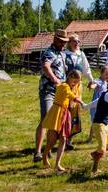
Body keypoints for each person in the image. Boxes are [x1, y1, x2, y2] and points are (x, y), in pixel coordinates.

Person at [34, 29, 69, 162]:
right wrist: (55, 79)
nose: (63, 44)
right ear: (55, 40)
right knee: (46, 118)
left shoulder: (62, 54)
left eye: (64, 42)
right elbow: (46, 66)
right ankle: (37, 152)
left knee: (55, 120)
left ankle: (47, 149)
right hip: (48, 90)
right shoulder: (49, 53)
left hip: (59, 91)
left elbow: (61, 68)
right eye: (61, 41)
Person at [41, 70, 83, 172]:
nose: (75, 84)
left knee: (63, 138)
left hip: (65, 113)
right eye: (74, 82)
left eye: (77, 82)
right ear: (69, 78)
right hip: (57, 113)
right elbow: (69, 94)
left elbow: (74, 93)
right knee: (52, 140)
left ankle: (57, 164)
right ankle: (44, 155)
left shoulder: (72, 86)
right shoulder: (64, 86)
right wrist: (79, 100)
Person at [64, 33, 94, 150]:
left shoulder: (81, 55)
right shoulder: (65, 55)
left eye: (78, 41)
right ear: (69, 43)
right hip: (67, 87)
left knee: (75, 111)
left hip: (78, 87)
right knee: (66, 110)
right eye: (74, 41)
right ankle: (63, 137)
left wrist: (91, 80)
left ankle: (69, 139)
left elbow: (86, 69)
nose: (77, 43)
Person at [85, 66, 108, 143]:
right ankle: (90, 138)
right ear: (101, 73)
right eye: (106, 74)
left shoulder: (107, 82)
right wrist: (91, 85)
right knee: (95, 120)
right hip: (97, 105)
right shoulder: (98, 81)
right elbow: (94, 86)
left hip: (105, 104)